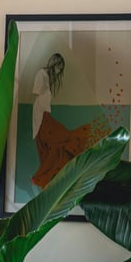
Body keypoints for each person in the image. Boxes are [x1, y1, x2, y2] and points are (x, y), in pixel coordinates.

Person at [30, 52, 95, 188]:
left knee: (62, 142)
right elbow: (36, 93)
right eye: (58, 67)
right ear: (53, 63)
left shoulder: (48, 77)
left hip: (45, 114)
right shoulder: (42, 74)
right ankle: (45, 177)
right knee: (60, 141)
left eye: (60, 68)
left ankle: (52, 178)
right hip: (42, 115)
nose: (59, 71)